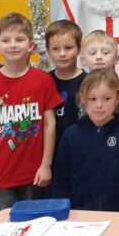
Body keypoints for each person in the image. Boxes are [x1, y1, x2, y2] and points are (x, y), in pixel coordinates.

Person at [0, 13, 62, 213]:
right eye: (6, 40)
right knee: (3, 226)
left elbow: (49, 124)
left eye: (19, 39)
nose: (13, 45)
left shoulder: (43, 80)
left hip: (34, 174)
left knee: (35, 224)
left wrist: (46, 165)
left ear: (31, 45)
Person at [53, 69, 119, 212]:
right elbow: (61, 183)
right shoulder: (71, 135)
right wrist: (63, 213)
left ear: (118, 98)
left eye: (107, 98)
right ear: (83, 98)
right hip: (79, 214)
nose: (99, 105)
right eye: (92, 99)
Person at [46, 19, 86, 148]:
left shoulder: (89, 82)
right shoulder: (44, 81)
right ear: (48, 51)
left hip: (80, 150)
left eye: (68, 48)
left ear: (79, 49)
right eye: (55, 49)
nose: (62, 54)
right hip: (52, 151)